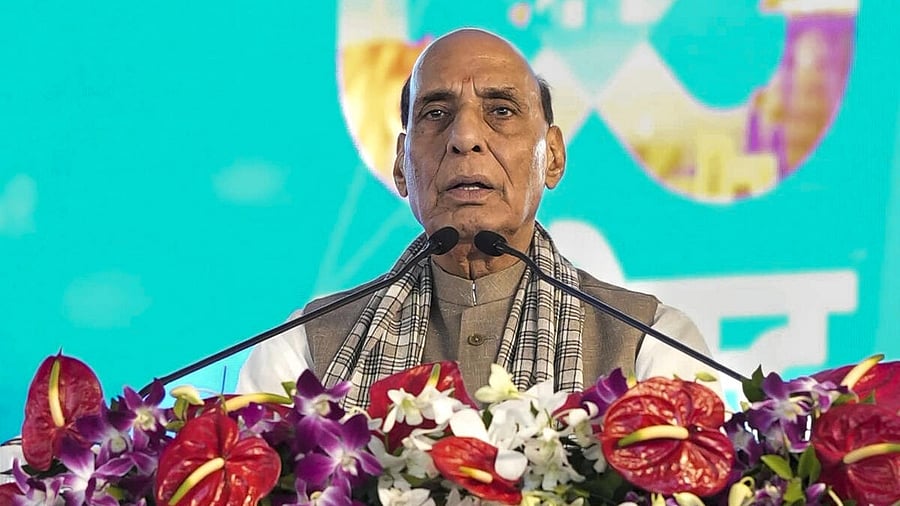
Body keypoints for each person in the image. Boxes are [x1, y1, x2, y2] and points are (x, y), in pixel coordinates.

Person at [238, 28, 719, 407]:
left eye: (501, 111)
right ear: (402, 166)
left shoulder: (651, 343)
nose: (464, 136)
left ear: (552, 157)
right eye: (436, 114)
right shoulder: (303, 350)